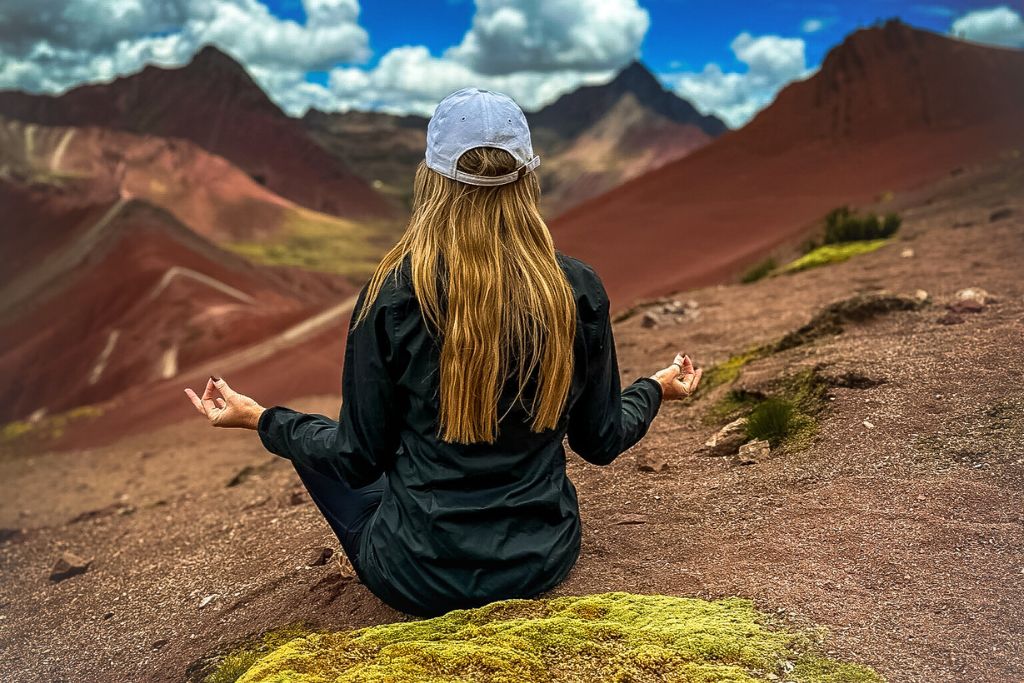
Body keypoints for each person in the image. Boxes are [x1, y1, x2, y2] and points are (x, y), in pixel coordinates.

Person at [184, 87, 702, 617]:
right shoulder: (577, 288)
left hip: (415, 574)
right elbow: (601, 439)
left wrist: (261, 419)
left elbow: (356, 459)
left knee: (310, 442)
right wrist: (654, 389)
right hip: (542, 561)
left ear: (429, 181)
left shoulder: (392, 296)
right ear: (528, 181)